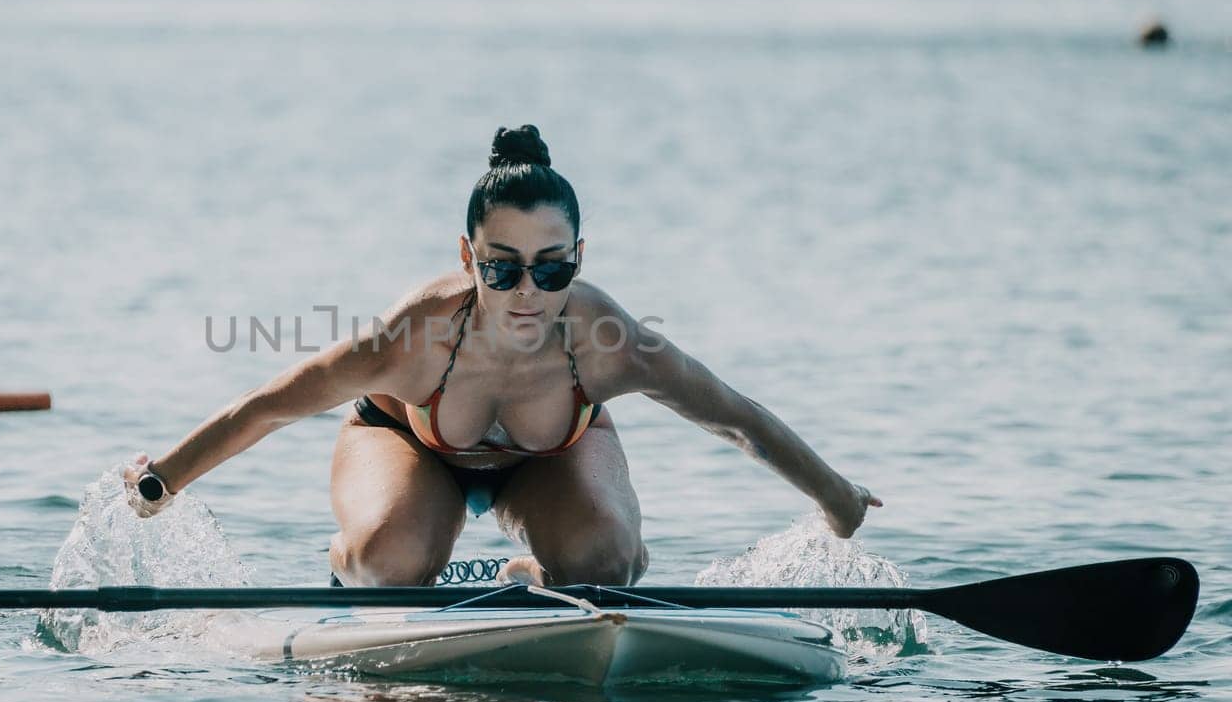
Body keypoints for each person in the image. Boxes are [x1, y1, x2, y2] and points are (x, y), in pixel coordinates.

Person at [124, 125, 881, 587]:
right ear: (467, 258)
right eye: (502, 266)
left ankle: (539, 572)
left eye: (551, 267)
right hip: (408, 447)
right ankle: (353, 557)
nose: (527, 289)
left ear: (578, 258)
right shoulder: (416, 335)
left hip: (550, 459)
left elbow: (733, 416)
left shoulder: (607, 340)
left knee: (605, 562)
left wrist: (837, 497)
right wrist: (164, 479)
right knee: (390, 562)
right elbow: (273, 404)